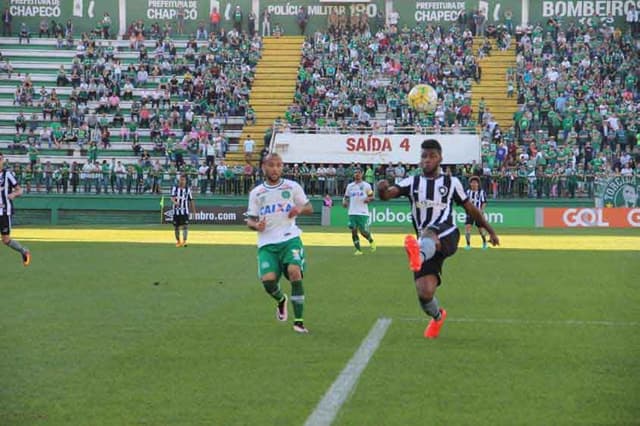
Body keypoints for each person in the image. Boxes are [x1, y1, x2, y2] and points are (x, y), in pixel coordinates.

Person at [377, 139, 499, 339]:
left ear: (440, 158)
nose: (427, 160)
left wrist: (490, 231)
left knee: (429, 232)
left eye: (431, 156)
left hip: (447, 234)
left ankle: (418, 255)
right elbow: (388, 195)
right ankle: (437, 315)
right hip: (425, 243)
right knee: (424, 292)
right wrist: (382, 189)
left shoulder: (452, 183)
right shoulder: (412, 182)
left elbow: (471, 210)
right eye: (424, 156)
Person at [246, 153, 313, 333]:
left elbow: (309, 207)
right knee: (268, 282)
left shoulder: (292, 187)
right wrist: (256, 225)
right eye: (271, 165)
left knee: (294, 271)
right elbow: (249, 220)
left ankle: (299, 321)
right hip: (267, 243)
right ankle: (281, 300)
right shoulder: (256, 193)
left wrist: (298, 209)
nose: (275, 169)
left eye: (279, 165)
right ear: (264, 167)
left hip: (290, 238)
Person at [0, 152, 31, 266]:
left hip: (4, 212)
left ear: (3, 160)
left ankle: (24, 251)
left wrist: (13, 195)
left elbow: (19, 190)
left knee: (6, 240)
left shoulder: (7, 174)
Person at [342, 167, 376, 255]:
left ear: (362, 174)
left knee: (363, 231)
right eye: (355, 172)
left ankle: (371, 240)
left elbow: (372, 196)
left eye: (358, 172)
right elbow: (346, 197)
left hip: (362, 212)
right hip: (352, 212)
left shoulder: (366, 185)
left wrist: (369, 199)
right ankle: (358, 250)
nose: (357, 174)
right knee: (353, 230)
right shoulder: (350, 186)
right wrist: (345, 202)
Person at [464, 176, 489, 250]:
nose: (473, 184)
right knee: (467, 228)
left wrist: (481, 210)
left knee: (481, 230)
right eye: (472, 183)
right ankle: (468, 245)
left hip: (478, 213)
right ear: (470, 184)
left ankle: (484, 243)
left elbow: (484, 202)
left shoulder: (481, 192)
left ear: (478, 184)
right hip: (470, 213)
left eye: (475, 183)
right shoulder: (468, 192)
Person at [171, 173, 195, 247]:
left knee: (185, 226)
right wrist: (175, 202)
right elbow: (172, 197)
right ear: (179, 180)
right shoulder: (175, 188)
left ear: (185, 181)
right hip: (176, 211)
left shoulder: (188, 189)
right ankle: (178, 241)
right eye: (181, 180)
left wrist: (194, 211)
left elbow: (191, 200)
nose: (182, 181)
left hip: (185, 211)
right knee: (176, 227)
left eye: (183, 180)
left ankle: (184, 241)